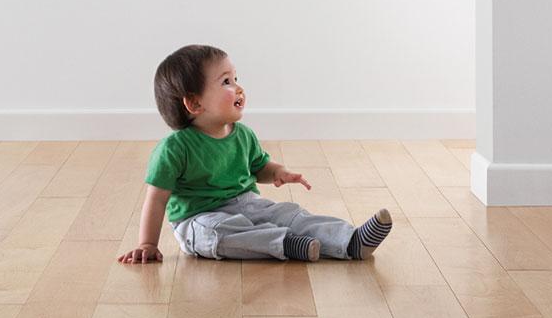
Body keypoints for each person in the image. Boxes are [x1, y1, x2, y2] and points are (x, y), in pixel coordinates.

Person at [118, 45, 393, 264]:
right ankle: (285, 243)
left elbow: (258, 166)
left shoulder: (242, 134)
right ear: (194, 103)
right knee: (218, 234)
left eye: (236, 78)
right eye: (226, 81)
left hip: (246, 203)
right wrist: (147, 244)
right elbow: (155, 201)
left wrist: (276, 171)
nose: (238, 87)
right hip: (198, 218)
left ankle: (350, 241)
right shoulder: (174, 149)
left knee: (290, 213)